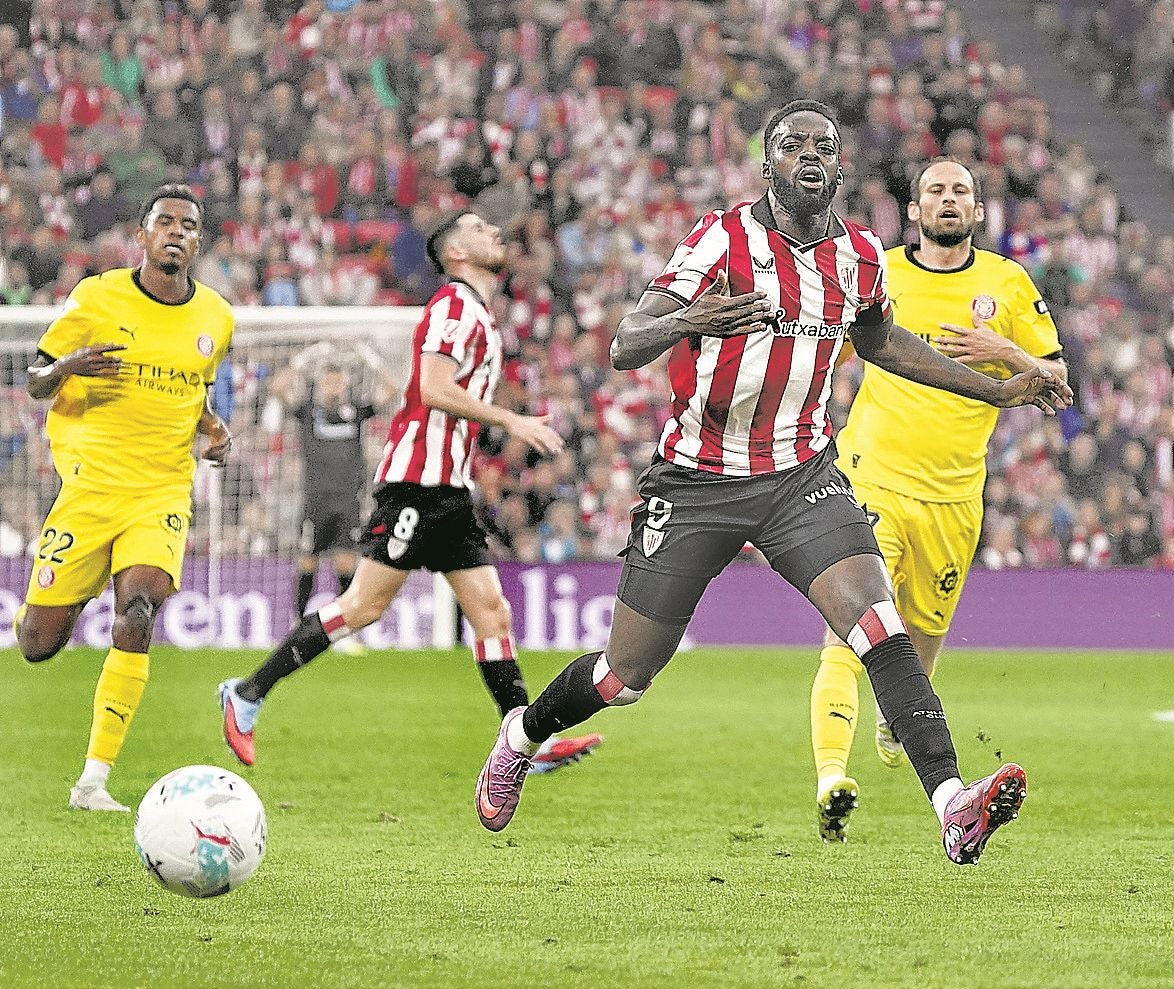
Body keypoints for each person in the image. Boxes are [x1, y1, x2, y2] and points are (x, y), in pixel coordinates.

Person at [474, 102, 1071, 865]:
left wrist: (995, 389)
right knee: (625, 676)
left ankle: (952, 802)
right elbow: (627, 343)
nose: (810, 155)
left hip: (799, 477)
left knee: (879, 625)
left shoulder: (859, 255)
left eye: (825, 145)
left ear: (841, 167)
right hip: (698, 480)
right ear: (768, 164)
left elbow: (884, 341)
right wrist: (693, 320)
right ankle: (521, 733)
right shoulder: (721, 238)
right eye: (793, 144)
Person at [217, 210, 602, 774]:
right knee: (362, 607)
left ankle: (524, 743)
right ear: (456, 253)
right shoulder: (452, 306)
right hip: (417, 486)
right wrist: (510, 420)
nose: (495, 231)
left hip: (450, 489)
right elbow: (433, 388)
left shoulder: (479, 313)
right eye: (479, 227)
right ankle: (247, 693)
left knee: (492, 614)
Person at [809, 156, 1067, 843]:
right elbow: (827, 350)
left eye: (960, 191)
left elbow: (1057, 378)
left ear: (977, 211)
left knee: (919, 646)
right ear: (914, 209)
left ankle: (897, 722)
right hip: (871, 480)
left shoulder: (1007, 284)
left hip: (954, 499)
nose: (947, 199)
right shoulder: (881, 273)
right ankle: (831, 776)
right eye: (934, 190)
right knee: (850, 630)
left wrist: (1006, 351)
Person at [15, 184, 233, 811]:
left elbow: (193, 391)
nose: (176, 232)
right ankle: (74, 584)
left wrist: (211, 428)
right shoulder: (97, 297)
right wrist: (68, 367)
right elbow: (34, 379)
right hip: (91, 490)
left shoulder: (216, 317)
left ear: (198, 240)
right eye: (165, 222)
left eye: (188, 225)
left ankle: (93, 780)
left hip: (161, 490)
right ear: (142, 235)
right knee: (37, 644)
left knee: (139, 608)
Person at [270, 342, 397, 654]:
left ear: (345, 384)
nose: (334, 386)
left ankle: (344, 633)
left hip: (347, 503)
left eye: (338, 381)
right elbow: (276, 388)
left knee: (345, 564)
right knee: (308, 563)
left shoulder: (356, 412)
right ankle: (296, 626)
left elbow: (392, 391)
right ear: (320, 384)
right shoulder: (307, 412)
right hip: (314, 503)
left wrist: (371, 359)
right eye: (328, 381)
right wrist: (301, 360)